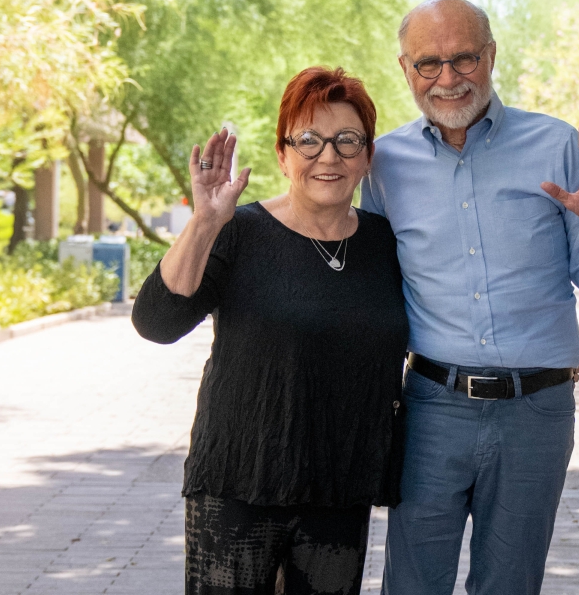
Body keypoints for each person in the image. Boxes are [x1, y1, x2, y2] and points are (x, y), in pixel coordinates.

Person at [361, 0, 579, 595]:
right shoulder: (383, 165)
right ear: (406, 71)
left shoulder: (558, 146)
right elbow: (372, 291)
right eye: (428, 64)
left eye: (463, 58)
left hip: (536, 413)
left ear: (490, 56)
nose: (448, 78)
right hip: (432, 406)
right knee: (410, 584)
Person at [131, 67, 409, 595]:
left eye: (347, 141)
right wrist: (205, 222)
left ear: (367, 156)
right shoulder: (240, 231)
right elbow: (157, 323)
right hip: (239, 486)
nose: (328, 156)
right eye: (308, 140)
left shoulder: (386, 244)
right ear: (283, 155)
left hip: (339, 494)